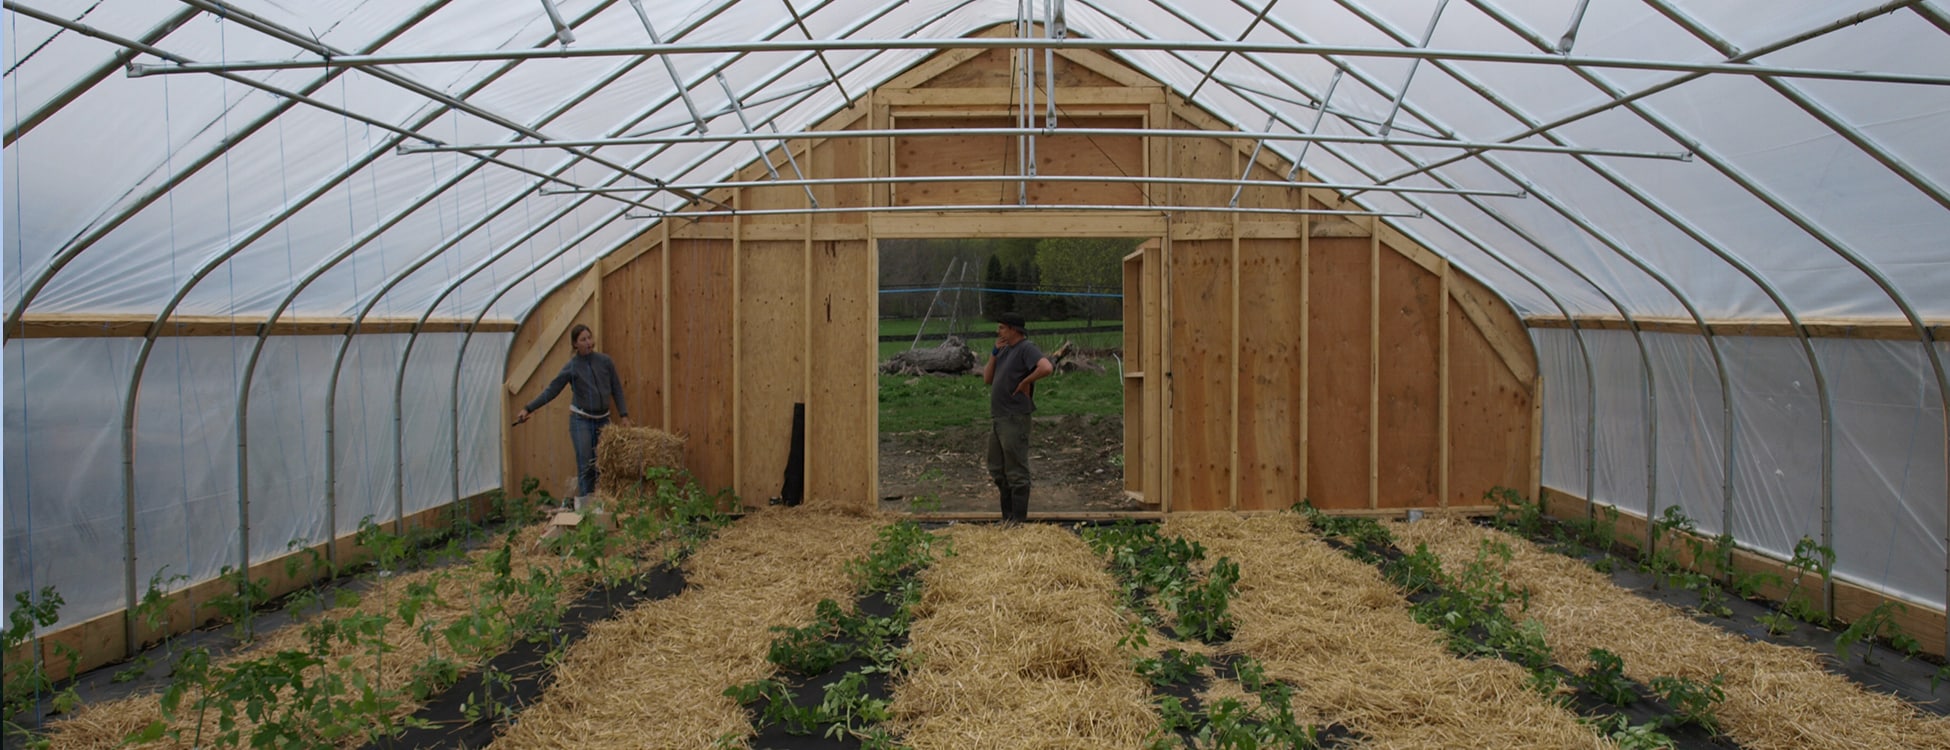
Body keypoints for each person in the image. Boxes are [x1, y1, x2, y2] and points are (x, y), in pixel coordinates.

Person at [515, 324, 630, 500]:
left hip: (603, 420)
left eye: (589, 338)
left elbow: (616, 388)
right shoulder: (572, 367)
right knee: (586, 465)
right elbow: (552, 390)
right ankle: (586, 508)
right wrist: (528, 408)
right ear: (575, 344)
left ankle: (605, 505)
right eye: (583, 340)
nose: (588, 342)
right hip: (581, 420)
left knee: (605, 464)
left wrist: (624, 415)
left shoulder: (605, 362)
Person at [983, 311, 1053, 524]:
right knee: (997, 467)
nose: (999, 331)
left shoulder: (1025, 348)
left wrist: (1026, 382)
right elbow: (987, 378)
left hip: (1015, 417)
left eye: (1002, 327)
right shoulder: (1004, 351)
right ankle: (1007, 519)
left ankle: (1018, 522)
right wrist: (994, 352)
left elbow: (1046, 367)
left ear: (1014, 329)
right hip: (999, 417)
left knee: (1016, 469)